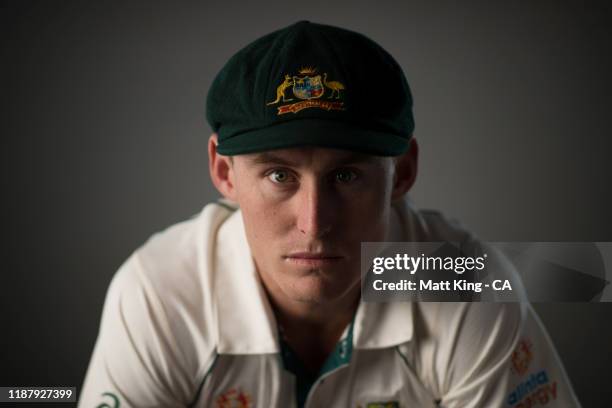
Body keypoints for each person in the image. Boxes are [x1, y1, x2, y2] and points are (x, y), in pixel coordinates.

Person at [79, 21, 581, 407]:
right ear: (225, 173)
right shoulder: (163, 290)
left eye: (347, 175)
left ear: (402, 174)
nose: (315, 223)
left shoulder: (468, 285)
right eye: (280, 176)